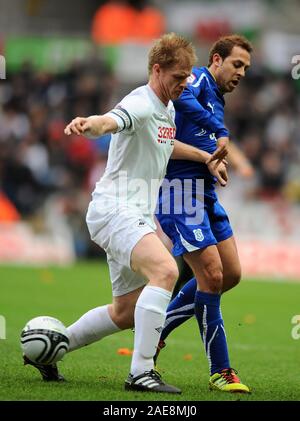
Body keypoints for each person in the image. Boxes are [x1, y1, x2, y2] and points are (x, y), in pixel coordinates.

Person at [23, 33, 228, 394]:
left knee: (125, 312)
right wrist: (90, 124)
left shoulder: (165, 107)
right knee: (165, 270)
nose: (184, 84)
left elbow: (165, 142)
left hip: (128, 212)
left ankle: (51, 348)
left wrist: (204, 158)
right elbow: (111, 120)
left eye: (186, 77)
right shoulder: (141, 102)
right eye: (178, 77)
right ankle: (141, 372)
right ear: (157, 69)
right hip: (115, 208)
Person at [155, 34, 252, 393]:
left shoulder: (218, 98)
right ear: (216, 59)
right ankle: (221, 371)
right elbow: (181, 102)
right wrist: (219, 131)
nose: (241, 72)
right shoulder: (194, 79)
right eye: (237, 64)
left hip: (205, 193)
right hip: (180, 194)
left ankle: (156, 330)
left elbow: (202, 139)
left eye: (246, 68)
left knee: (230, 274)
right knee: (211, 276)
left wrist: (216, 163)